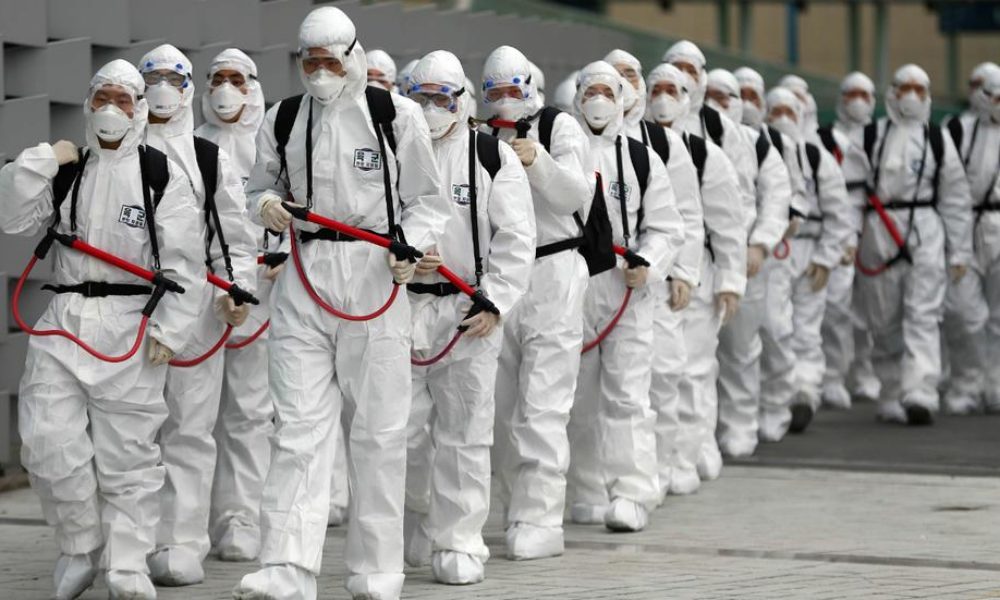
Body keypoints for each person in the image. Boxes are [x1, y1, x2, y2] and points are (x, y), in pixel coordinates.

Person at [233, 8, 446, 599]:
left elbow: (427, 201)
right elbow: (259, 186)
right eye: (311, 62)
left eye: (331, 60)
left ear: (353, 56)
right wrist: (265, 206)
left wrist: (409, 248)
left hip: (375, 275)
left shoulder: (394, 116)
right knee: (297, 427)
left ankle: (376, 571)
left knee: (378, 432)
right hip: (305, 274)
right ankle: (286, 567)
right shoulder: (283, 118)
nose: (320, 72)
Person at [0, 59, 202, 599]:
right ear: (88, 104)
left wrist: (170, 330)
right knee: (46, 442)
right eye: (102, 98)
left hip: (129, 325)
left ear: (139, 110)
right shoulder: (70, 169)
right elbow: (11, 216)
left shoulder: (161, 176)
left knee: (128, 456)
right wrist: (45, 159)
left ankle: (128, 563)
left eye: (123, 100)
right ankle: (80, 545)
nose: (111, 109)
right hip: (64, 321)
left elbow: (186, 262)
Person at [402, 50, 535, 584]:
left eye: (442, 98)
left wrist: (494, 301)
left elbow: (517, 237)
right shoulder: (394, 146)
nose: (431, 108)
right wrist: (400, 260)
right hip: (402, 305)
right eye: (421, 97)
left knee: (465, 433)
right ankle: (416, 522)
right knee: (400, 432)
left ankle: (459, 541)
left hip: (467, 311)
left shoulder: (490, 157)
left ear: (462, 100)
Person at [139, 43, 258, 587]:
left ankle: (181, 541)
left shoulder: (207, 157)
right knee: (129, 430)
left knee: (189, 428)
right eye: (152, 79)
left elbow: (233, 234)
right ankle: (129, 538)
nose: (162, 89)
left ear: (188, 89)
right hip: (127, 311)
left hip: (195, 311)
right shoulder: (112, 151)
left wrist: (238, 288)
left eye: (173, 78)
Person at [483, 45, 591, 562]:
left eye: (513, 89)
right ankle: (515, 507)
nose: (505, 99)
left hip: (555, 272)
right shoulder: (481, 137)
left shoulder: (558, 127)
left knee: (544, 405)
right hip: (503, 277)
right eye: (495, 91)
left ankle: (541, 519)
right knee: (501, 407)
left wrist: (539, 162)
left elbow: (575, 196)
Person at [565, 60, 684, 531]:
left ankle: (633, 492)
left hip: (626, 292)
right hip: (573, 290)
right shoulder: (562, 152)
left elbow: (667, 226)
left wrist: (648, 263)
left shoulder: (640, 158)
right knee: (578, 398)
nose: (597, 101)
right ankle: (588, 489)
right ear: (577, 97)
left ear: (621, 100)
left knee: (628, 396)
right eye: (589, 91)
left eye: (607, 92)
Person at [848, 64, 973, 426]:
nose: (912, 96)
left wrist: (959, 249)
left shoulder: (937, 139)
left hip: (924, 229)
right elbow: (850, 195)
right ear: (893, 92)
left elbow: (955, 198)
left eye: (920, 89)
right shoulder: (870, 136)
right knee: (883, 318)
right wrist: (848, 239)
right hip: (879, 230)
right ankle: (891, 391)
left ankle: (921, 390)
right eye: (906, 88)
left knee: (923, 313)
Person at [646, 60, 747, 486]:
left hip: (699, 274)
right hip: (648, 274)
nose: (663, 98)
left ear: (689, 98)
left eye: (673, 90)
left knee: (694, 368)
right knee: (656, 373)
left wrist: (730, 281)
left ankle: (690, 453)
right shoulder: (635, 147)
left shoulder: (707, 155)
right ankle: (660, 458)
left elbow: (728, 224)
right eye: (656, 89)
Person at [193, 48, 276, 562]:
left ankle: (242, 518)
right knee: (190, 416)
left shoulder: (271, 142)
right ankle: (188, 524)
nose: (226, 88)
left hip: (262, 290)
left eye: (237, 79)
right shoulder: (191, 143)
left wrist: (280, 254)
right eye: (218, 78)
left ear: (253, 85)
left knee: (249, 412)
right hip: (203, 291)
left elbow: (298, 202)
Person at [627, 64, 704, 498]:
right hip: (605, 282)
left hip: (657, 278)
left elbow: (687, 215)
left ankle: (668, 463)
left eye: (630, 77)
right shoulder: (578, 141)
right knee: (618, 387)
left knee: (666, 373)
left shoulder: (663, 143)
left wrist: (682, 273)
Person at [708, 68, 793, 457]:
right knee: (694, 352)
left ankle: (740, 424)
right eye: (712, 95)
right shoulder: (682, 139)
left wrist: (759, 244)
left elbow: (777, 196)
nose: (719, 104)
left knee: (741, 346)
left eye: (727, 96)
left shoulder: (757, 144)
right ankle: (701, 431)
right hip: (698, 260)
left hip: (745, 260)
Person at [759, 87, 853, 437]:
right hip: (772, 252)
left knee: (807, 328)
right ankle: (774, 393)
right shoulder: (758, 150)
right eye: (776, 111)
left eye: (790, 112)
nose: (783, 118)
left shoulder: (817, 157)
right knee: (774, 326)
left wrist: (827, 259)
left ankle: (804, 391)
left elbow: (839, 214)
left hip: (810, 252)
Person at [816, 72, 879, 410]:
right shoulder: (824, 137)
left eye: (864, 95)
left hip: (876, 227)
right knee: (837, 306)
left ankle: (868, 373)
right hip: (838, 226)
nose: (857, 101)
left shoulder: (881, 135)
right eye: (851, 93)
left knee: (871, 308)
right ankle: (833, 377)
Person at [940, 67, 1000, 415]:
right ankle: (966, 382)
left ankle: (995, 383)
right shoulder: (958, 130)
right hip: (965, 224)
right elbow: (947, 183)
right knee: (961, 311)